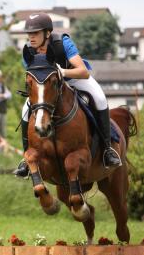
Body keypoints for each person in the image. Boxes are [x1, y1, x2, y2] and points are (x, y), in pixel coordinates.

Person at [14, 12, 122, 178]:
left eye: (35, 33)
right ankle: (26, 158)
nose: (31, 38)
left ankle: (108, 150)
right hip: (49, 86)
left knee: (99, 98)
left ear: (47, 33)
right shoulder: (28, 51)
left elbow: (83, 72)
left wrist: (62, 72)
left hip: (74, 78)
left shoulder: (62, 43)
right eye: (29, 34)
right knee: (25, 109)